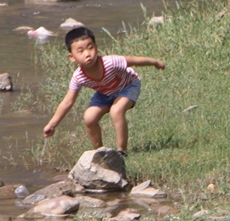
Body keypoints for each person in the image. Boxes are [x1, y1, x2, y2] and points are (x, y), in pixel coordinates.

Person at [43, 26, 165, 154]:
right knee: (89, 118)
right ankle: (100, 152)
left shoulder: (111, 62)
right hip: (105, 93)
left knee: (116, 111)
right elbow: (67, 102)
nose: (87, 54)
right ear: (72, 57)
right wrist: (52, 124)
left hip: (128, 86)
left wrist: (155, 62)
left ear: (96, 47)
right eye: (81, 51)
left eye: (90, 47)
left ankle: (121, 151)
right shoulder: (78, 77)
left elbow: (134, 60)